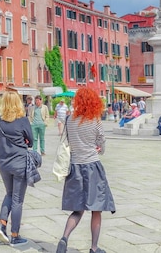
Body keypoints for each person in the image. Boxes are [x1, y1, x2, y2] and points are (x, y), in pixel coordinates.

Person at [56, 88, 115, 253]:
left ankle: (64, 238)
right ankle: (94, 248)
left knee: (78, 209)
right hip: (92, 167)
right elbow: (101, 143)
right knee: (97, 209)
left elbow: (68, 141)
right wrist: (98, 148)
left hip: (75, 168)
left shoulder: (68, 120)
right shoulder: (95, 120)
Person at [0, 91, 34, 247]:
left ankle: (1, 225)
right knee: (17, 200)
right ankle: (15, 235)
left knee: (9, 194)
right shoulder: (23, 120)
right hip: (19, 163)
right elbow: (30, 141)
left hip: (3, 163)